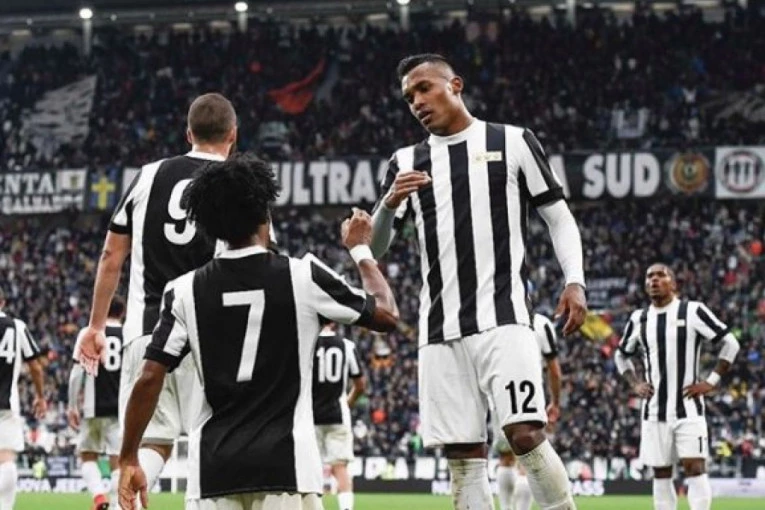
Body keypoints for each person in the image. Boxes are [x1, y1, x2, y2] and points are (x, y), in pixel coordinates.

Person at [117, 153, 399, 510]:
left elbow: (149, 376)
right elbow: (387, 315)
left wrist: (129, 457)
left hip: (213, 472)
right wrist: (360, 250)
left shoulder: (183, 290)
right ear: (266, 215)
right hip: (288, 470)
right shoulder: (304, 276)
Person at [370, 53, 586, 510]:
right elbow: (376, 246)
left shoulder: (513, 141)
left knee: (524, 434)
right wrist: (387, 204)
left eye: (424, 88)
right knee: (463, 455)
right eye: (408, 97)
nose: (416, 102)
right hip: (439, 330)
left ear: (455, 85)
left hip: (504, 319)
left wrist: (575, 281)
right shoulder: (405, 161)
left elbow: (558, 217)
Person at [75, 92, 239, 494]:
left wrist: (96, 326)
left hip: (148, 333)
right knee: (211, 442)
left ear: (188, 134)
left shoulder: (148, 176)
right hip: (213, 337)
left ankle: (123, 501)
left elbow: (111, 255)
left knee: (149, 446)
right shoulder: (239, 182)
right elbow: (259, 261)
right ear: (233, 135)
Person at [615, 263, 739, 510]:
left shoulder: (692, 311)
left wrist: (711, 382)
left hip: (689, 409)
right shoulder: (639, 319)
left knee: (695, 467)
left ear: (673, 282)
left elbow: (730, 343)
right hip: (654, 412)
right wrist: (635, 383)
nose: (654, 280)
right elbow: (621, 355)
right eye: (649, 276)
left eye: (661, 275)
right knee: (661, 473)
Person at [494, 313, 563, 510]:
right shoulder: (542, 324)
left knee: (505, 457)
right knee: (529, 461)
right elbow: (554, 370)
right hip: (530, 396)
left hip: (500, 395)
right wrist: (555, 402)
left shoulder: (493, 318)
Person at [68, 296, 126, 510]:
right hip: (119, 409)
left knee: (87, 455)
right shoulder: (129, 334)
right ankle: (117, 505)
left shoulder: (89, 333)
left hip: (92, 407)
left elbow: (76, 373)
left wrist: (72, 406)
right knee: (117, 460)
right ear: (122, 313)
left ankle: (99, 497)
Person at [0, 288, 47, 510]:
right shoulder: (17, 327)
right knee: (6, 458)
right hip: (6, 405)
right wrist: (40, 396)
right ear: (3, 302)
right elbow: (35, 366)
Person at [312, 322, 366, 510]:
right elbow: (360, 385)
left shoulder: (307, 344)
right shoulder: (346, 345)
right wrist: (347, 403)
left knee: (310, 469)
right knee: (340, 467)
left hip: (310, 416)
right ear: (333, 322)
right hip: (337, 415)